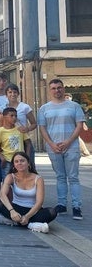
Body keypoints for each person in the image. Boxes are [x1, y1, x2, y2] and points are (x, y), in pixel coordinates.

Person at [38, 78, 85, 220]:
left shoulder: (74, 106)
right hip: (54, 148)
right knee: (60, 177)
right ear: (49, 90)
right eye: (53, 88)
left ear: (63, 89)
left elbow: (79, 125)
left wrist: (69, 141)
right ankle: (62, 204)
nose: (57, 90)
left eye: (59, 87)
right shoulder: (44, 108)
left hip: (71, 146)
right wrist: (51, 144)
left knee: (73, 177)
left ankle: (76, 206)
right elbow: (42, 128)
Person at [0, 152, 57, 233]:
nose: (19, 163)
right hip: (16, 208)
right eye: (16, 161)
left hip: (33, 211)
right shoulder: (10, 176)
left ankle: (16, 222)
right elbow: (2, 195)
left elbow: (39, 202)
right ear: (13, 165)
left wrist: (27, 217)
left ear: (28, 163)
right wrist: (12, 211)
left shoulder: (38, 179)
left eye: (22, 161)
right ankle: (32, 225)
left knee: (52, 212)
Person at [1, 83, 37, 164]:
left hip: (23, 139)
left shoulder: (25, 107)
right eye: (10, 92)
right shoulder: (3, 108)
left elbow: (34, 123)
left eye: (14, 92)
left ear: (18, 94)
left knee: (29, 165)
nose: (12, 94)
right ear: (6, 95)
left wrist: (27, 129)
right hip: (8, 141)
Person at [0, 107, 31, 179]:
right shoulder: (1, 131)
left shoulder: (20, 129)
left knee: (21, 179)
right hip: (8, 160)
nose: (14, 118)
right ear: (4, 117)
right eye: (11, 116)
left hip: (20, 159)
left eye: (16, 116)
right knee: (7, 180)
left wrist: (27, 156)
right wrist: (2, 158)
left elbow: (28, 142)